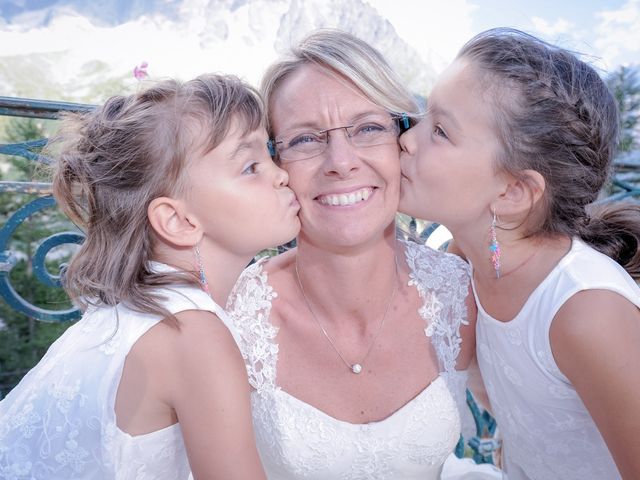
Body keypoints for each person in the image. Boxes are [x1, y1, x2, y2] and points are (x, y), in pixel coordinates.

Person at [225, 29, 502, 479]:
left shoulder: (463, 293)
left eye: (368, 128)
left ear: (403, 142)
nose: (341, 160)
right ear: (276, 164)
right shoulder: (232, 317)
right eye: (305, 140)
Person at [0, 74, 300, 479]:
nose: (281, 174)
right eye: (251, 166)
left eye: (269, 153)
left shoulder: (129, 308)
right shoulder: (193, 335)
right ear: (177, 220)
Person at [399, 27, 640, 480]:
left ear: (513, 191)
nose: (408, 139)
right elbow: (514, 410)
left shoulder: (586, 312)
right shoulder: (462, 263)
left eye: (440, 131)